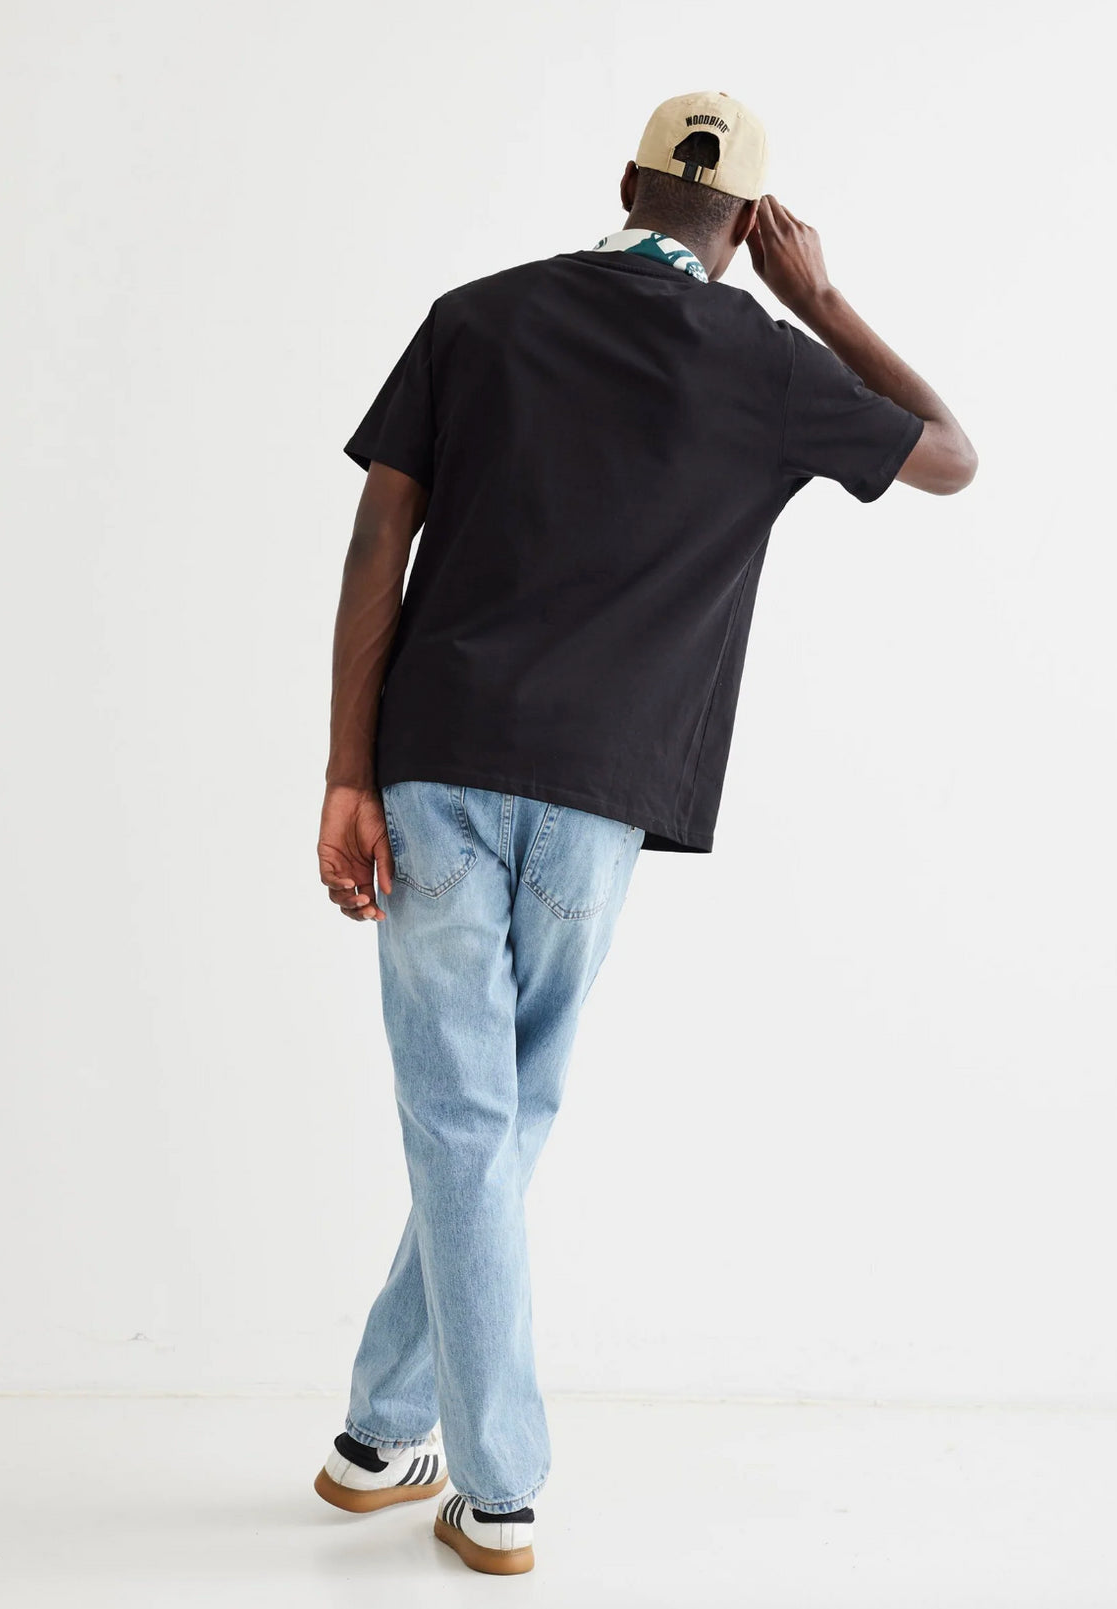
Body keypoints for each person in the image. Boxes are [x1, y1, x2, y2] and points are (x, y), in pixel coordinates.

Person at [312, 89, 976, 1577]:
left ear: (625, 182)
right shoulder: (772, 363)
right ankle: (468, 1470)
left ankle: (398, 1445)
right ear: (748, 225)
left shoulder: (478, 317)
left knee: (473, 1119)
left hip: (434, 763)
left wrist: (346, 770)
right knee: (494, 1117)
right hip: (598, 799)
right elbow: (950, 453)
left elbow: (375, 543)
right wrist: (821, 298)